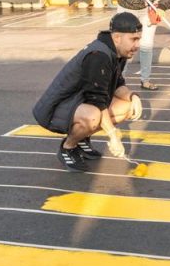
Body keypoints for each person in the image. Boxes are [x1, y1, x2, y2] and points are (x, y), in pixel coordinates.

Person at [33, 11, 144, 172]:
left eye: (139, 39)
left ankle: (82, 138)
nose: (137, 45)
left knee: (127, 107)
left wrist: (133, 97)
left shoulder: (118, 52)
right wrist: (113, 135)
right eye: (133, 39)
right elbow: (97, 100)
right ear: (117, 37)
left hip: (79, 102)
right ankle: (68, 147)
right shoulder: (98, 55)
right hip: (55, 109)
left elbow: (118, 84)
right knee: (93, 116)